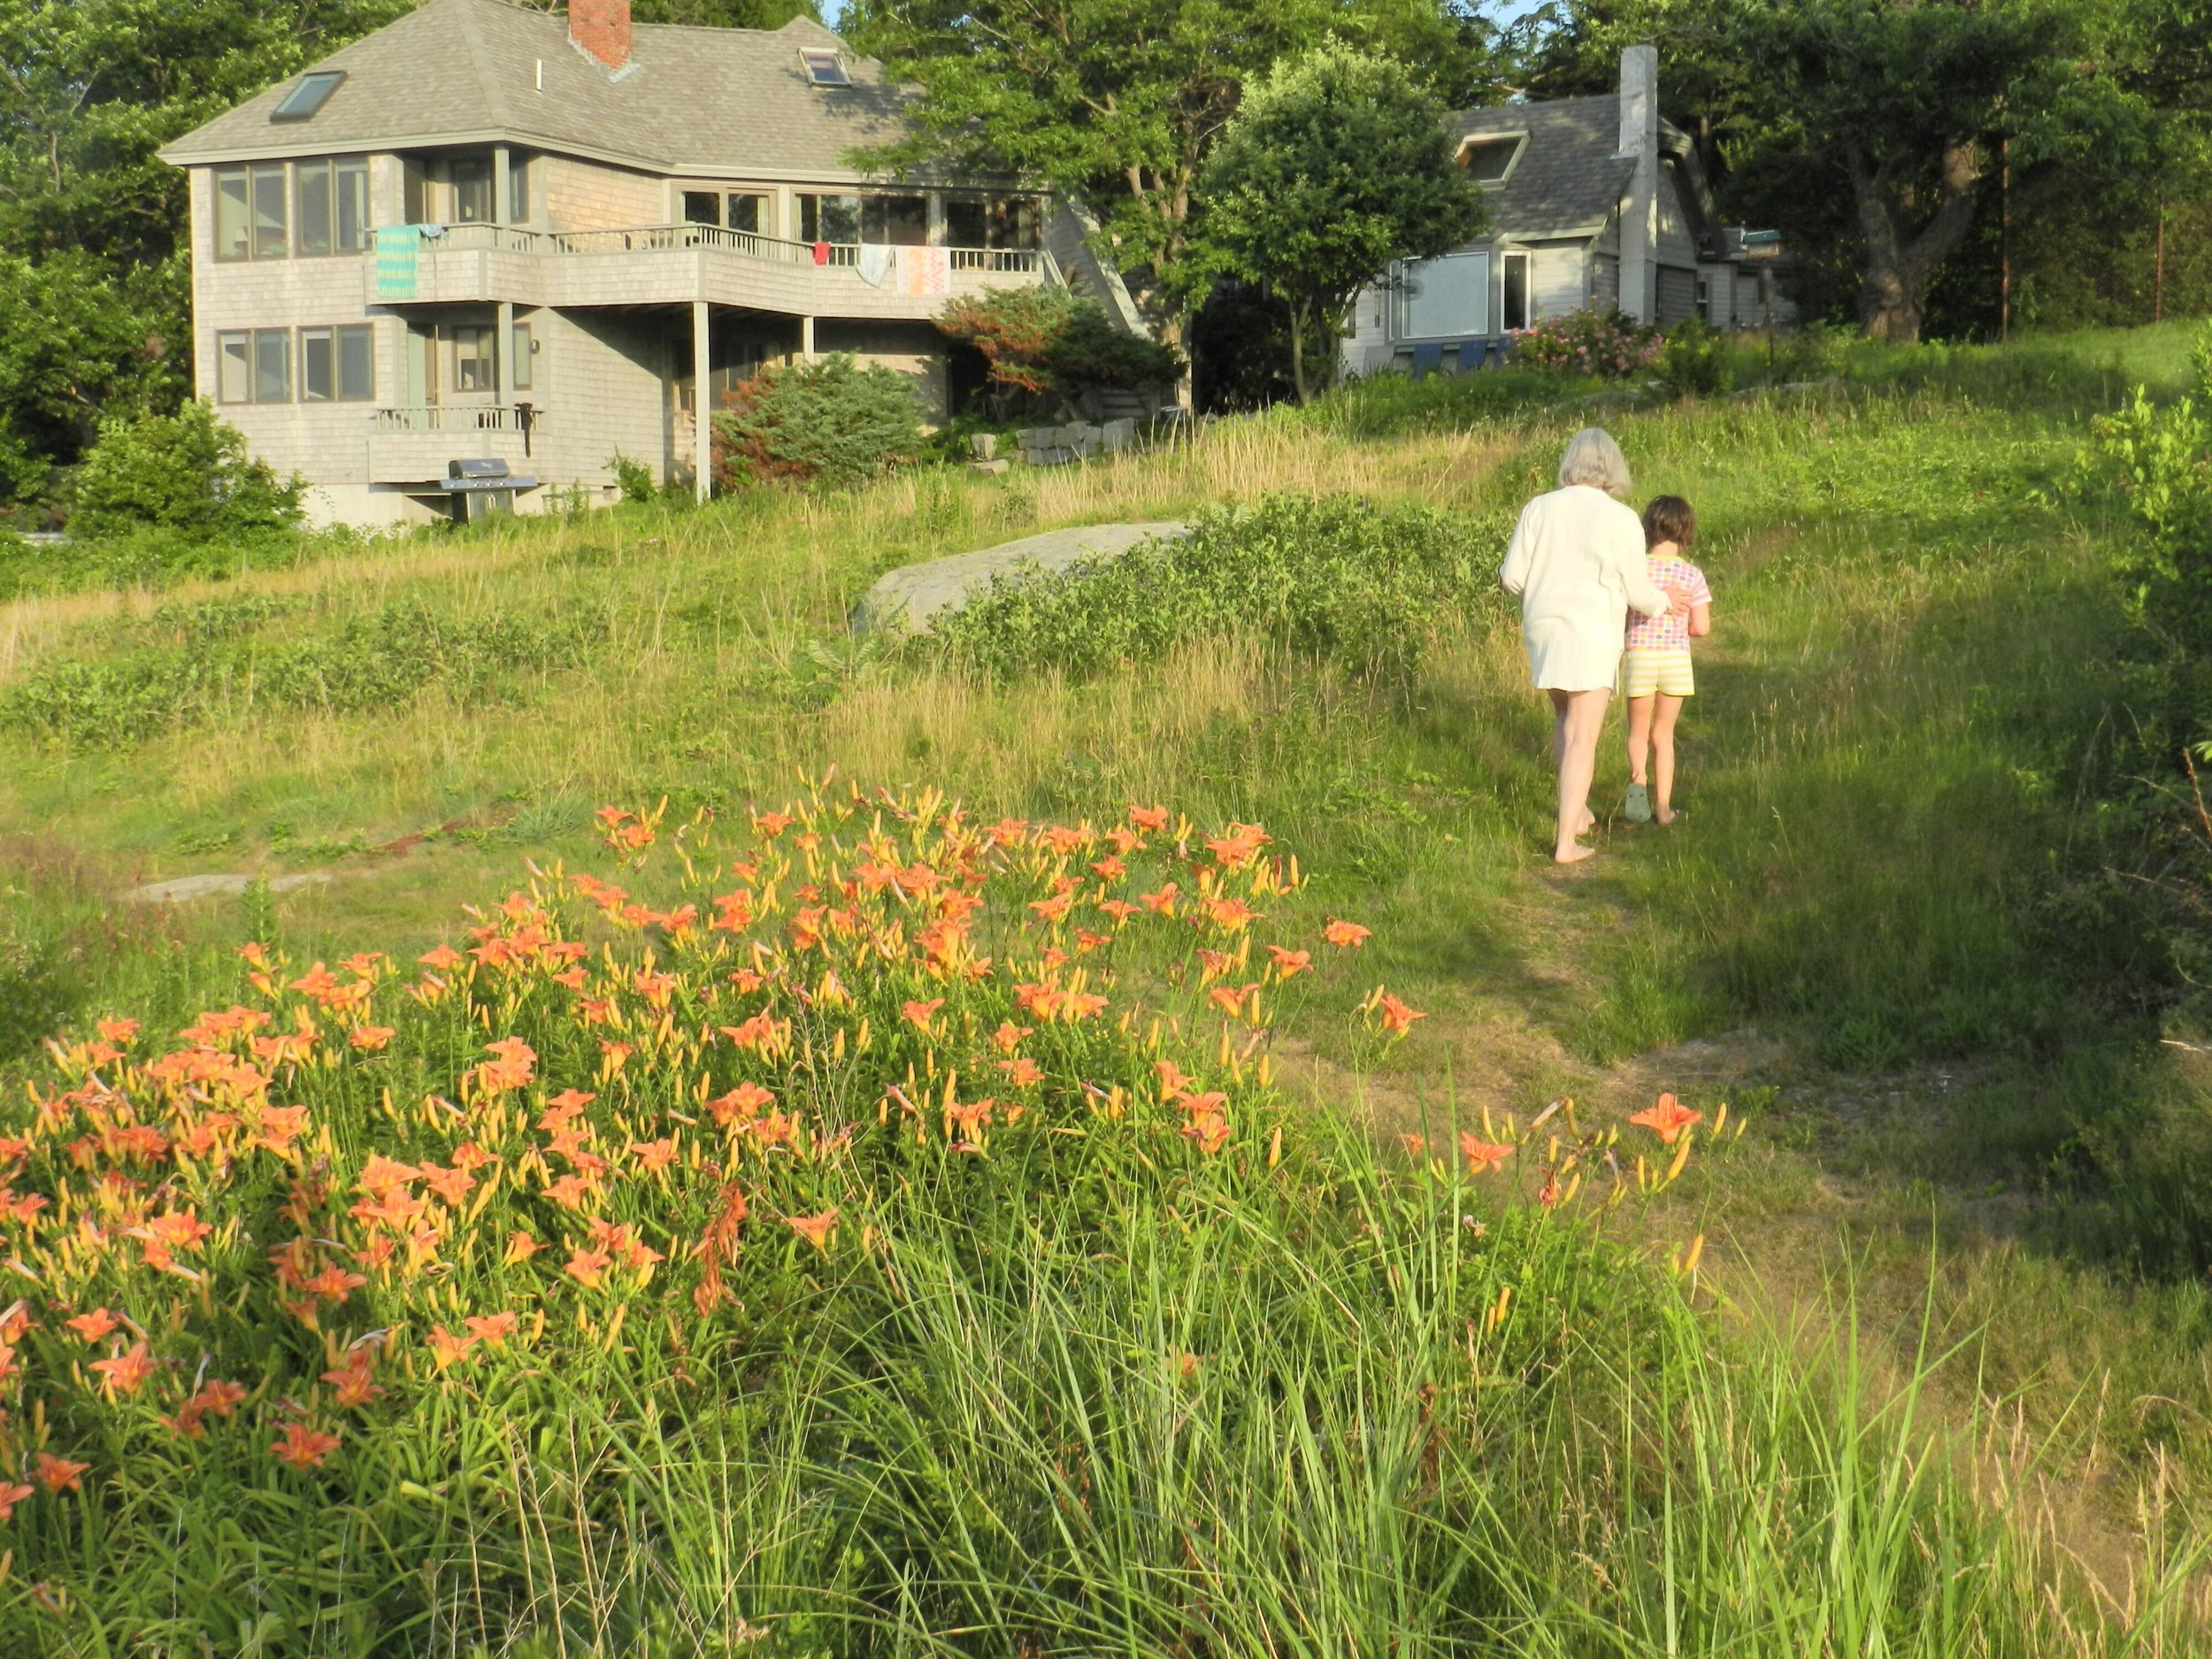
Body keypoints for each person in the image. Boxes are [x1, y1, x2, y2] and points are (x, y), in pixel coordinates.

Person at [1499, 428, 1688, 864]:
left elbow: (1511, 577)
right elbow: (1639, 593)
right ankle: (1566, 842)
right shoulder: (1620, 518)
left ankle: (1578, 809)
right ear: (1613, 467)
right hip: (1592, 631)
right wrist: (1665, 602)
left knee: (1565, 717)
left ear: (1571, 462)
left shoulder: (1538, 508)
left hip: (1545, 627)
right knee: (1583, 733)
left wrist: (1545, 592)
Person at [1622, 495, 1712, 827]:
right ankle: (1663, 808)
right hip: (1675, 660)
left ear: (1648, 527)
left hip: (1640, 656)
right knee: (1663, 734)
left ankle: (1638, 784)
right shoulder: (1692, 575)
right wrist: (1684, 628)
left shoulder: (1636, 570)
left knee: (1638, 731)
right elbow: (1701, 627)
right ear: (1686, 531)